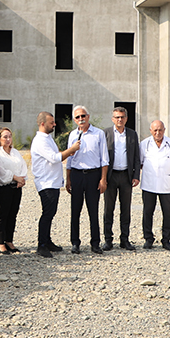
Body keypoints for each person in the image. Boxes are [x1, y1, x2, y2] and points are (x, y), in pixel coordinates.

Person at [32, 112, 80, 258]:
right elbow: (54, 158)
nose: (54, 124)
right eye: (51, 122)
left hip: (52, 182)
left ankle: (47, 241)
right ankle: (41, 245)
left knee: (51, 213)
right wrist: (71, 150)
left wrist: (67, 153)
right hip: (46, 182)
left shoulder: (47, 138)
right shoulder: (40, 140)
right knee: (47, 213)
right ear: (42, 124)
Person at [65, 105, 109, 254]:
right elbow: (69, 159)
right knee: (75, 210)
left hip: (93, 175)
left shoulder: (98, 134)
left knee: (93, 210)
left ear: (88, 117)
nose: (81, 119)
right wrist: (68, 179)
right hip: (77, 175)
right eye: (77, 117)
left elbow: (104, 158)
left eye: (83, 116)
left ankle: (95, 243)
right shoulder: (73, 135)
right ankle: (75, 242)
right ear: (74, 120)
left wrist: (103, 179)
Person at [102, 106, 141, 251]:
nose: (119, 119)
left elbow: (137, 157)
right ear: (113, 119)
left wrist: (136, 176)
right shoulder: (105, 133)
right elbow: (101, 156)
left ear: (126, 118)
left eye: (122, 117)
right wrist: (102, 178)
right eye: (117, 117)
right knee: (108, 209)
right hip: (110, 176)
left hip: (126, 176)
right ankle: (108, 240)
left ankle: (125, 239)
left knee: (126, 209)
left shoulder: (132, 134)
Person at [139, 120, 170, 250]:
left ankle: (166, 239)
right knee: (148, 212)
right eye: (155, 130)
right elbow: (140, 163)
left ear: (164, 130)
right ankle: (148, 239)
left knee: (168, 213)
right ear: (151, 131)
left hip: (166, 184)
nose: (157, 133)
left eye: (160, 130)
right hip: (149, 184)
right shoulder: (144, 144)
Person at [0, 126, 27, 253]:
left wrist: (22, 179)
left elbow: (23, 165)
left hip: (16, 187)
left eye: (9, 136)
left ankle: (9, 240)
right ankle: (0, 242)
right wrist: (15, 177)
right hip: (3, 187)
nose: (8, 139)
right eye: (5, 137)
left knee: (13, 214)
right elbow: (0, 170)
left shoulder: (15, 152)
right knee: (2, 214)